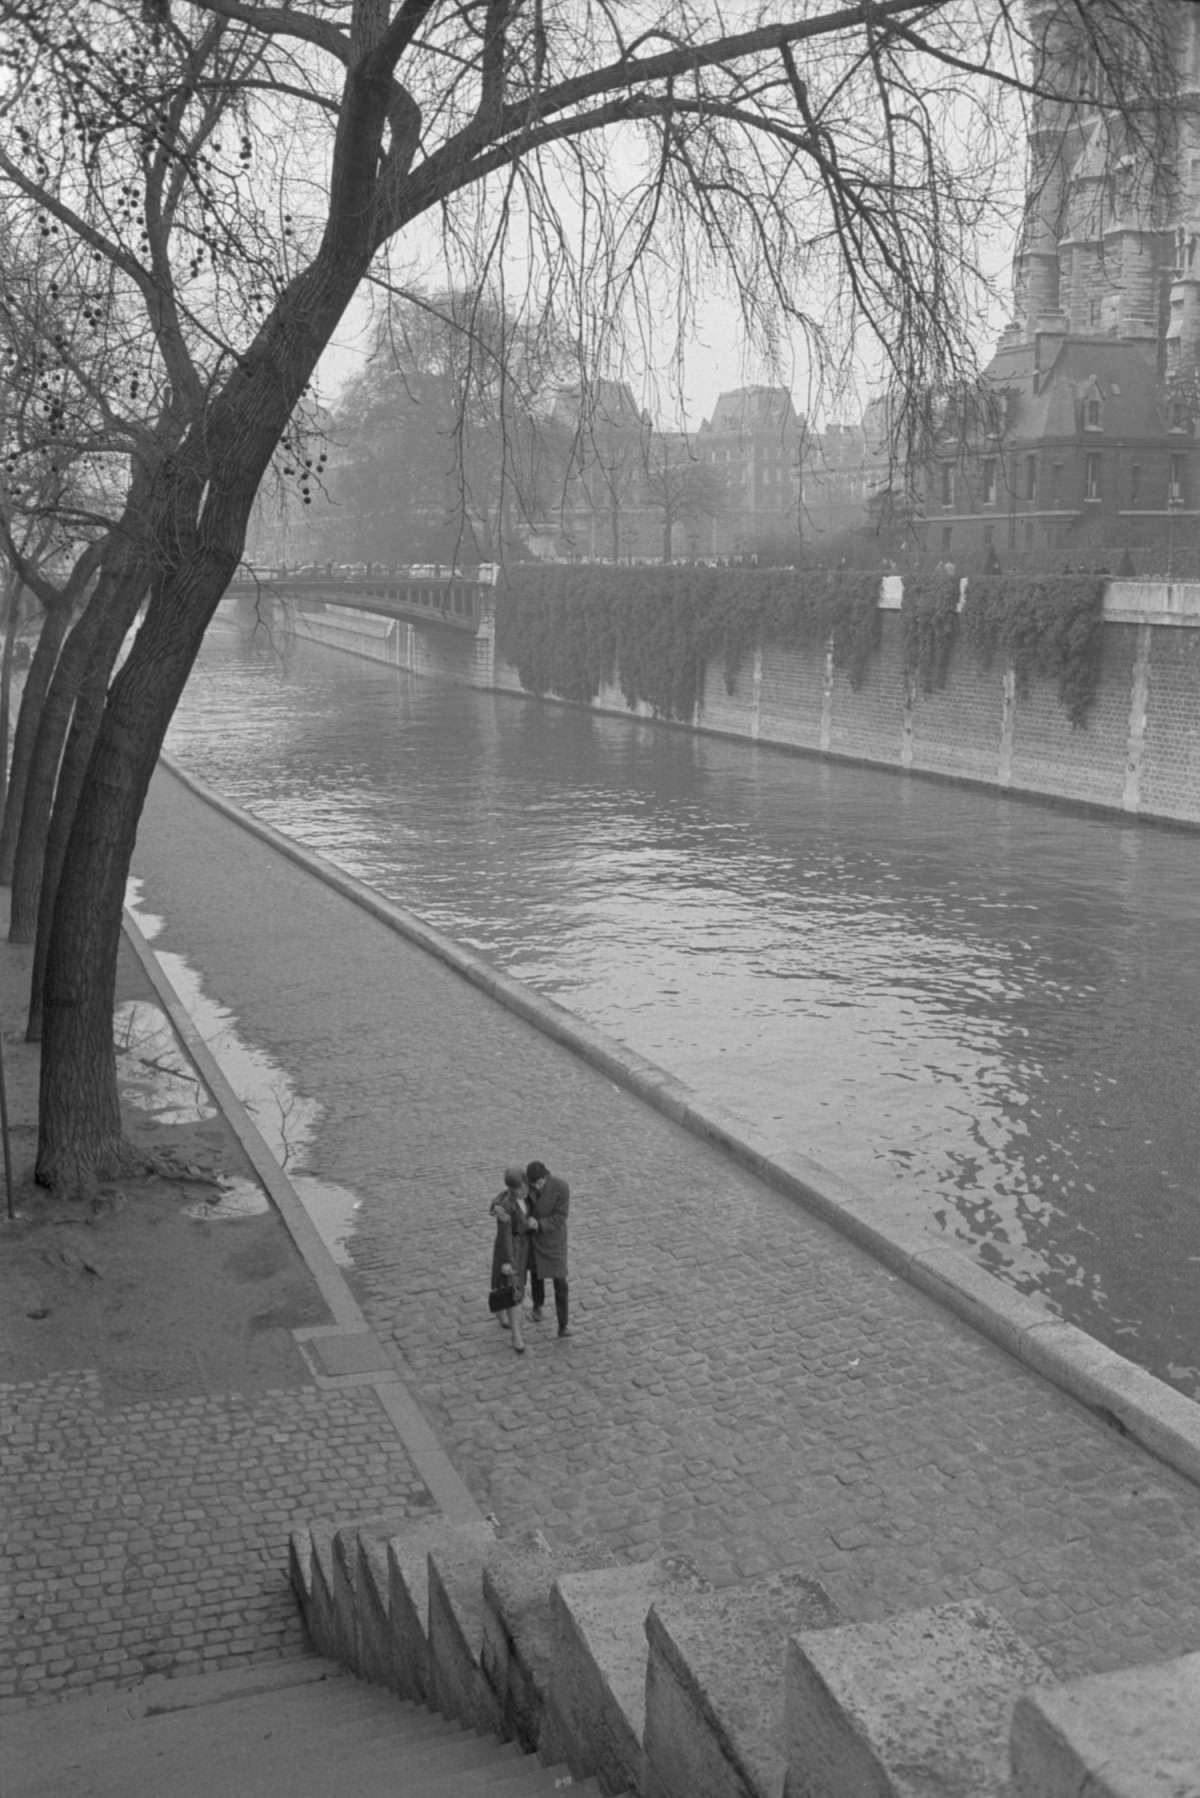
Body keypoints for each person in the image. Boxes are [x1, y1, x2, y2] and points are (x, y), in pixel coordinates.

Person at [525, 1159, 571, 1337]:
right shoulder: (528, 1186)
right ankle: (537, 1305)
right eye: (533, 1184)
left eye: (538, 1183)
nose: (536, 1187)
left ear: (545, 1177)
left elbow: (560, 1217)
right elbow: (512, 1195)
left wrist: (540, 1224)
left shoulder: (561, 1187)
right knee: (536, 1275)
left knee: (560, 1282)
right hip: (535, 1241)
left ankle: (563, 1324)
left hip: (554, 1242)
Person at [489, 1166, 531, 1353]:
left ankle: (500, 1313)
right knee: (515, 1291)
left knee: (508, 1286)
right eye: (517, 1189)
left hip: (523, 1249)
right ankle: (516, 1336)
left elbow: (497, 1200)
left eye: (522, 1187)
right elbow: (505, 1234)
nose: (521, 1191)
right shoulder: (506, 1206)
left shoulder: (524, 1196)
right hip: (510, 1251)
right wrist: (507, 1260)